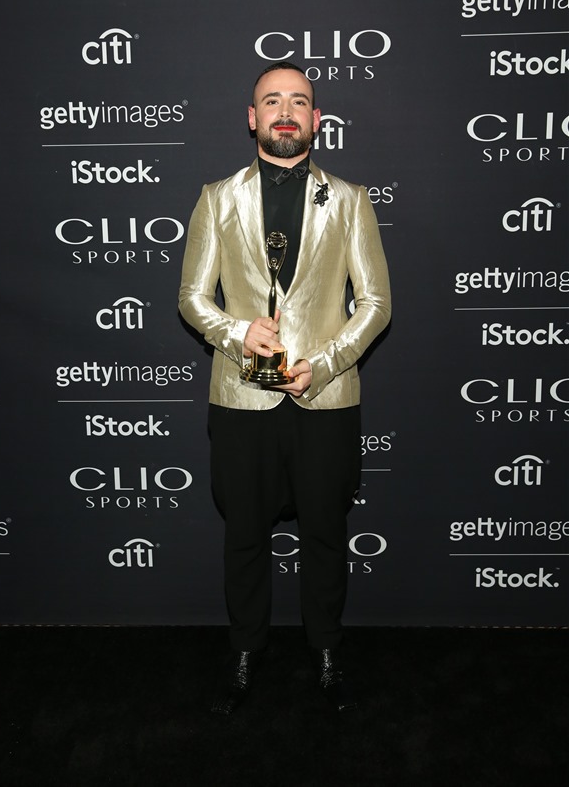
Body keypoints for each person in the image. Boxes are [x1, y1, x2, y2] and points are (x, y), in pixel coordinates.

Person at [179, 62, 391, 714]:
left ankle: (326, 649)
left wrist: (323, 364)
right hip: (242, 398)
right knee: (244, 534)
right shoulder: (217, 197)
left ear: (316, 119)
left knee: (326, 531)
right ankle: (246, 648)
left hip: (324, 399)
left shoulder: (350, 200)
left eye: (299, 101)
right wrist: (237, 332)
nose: (285, 111)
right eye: (272, 101)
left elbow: (375, 304)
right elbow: (192, 297)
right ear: (253, 118)